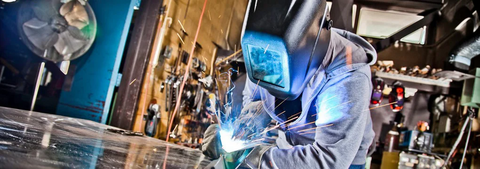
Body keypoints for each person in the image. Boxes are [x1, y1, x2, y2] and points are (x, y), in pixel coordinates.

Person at [202, 0, 376, 168]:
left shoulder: (347, 78)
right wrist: (243, 128)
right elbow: (255, 99)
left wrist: (256, 159)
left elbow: (328, 161)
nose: (266, 66)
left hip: (340, 160)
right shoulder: (263, 48)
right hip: (287, 145)